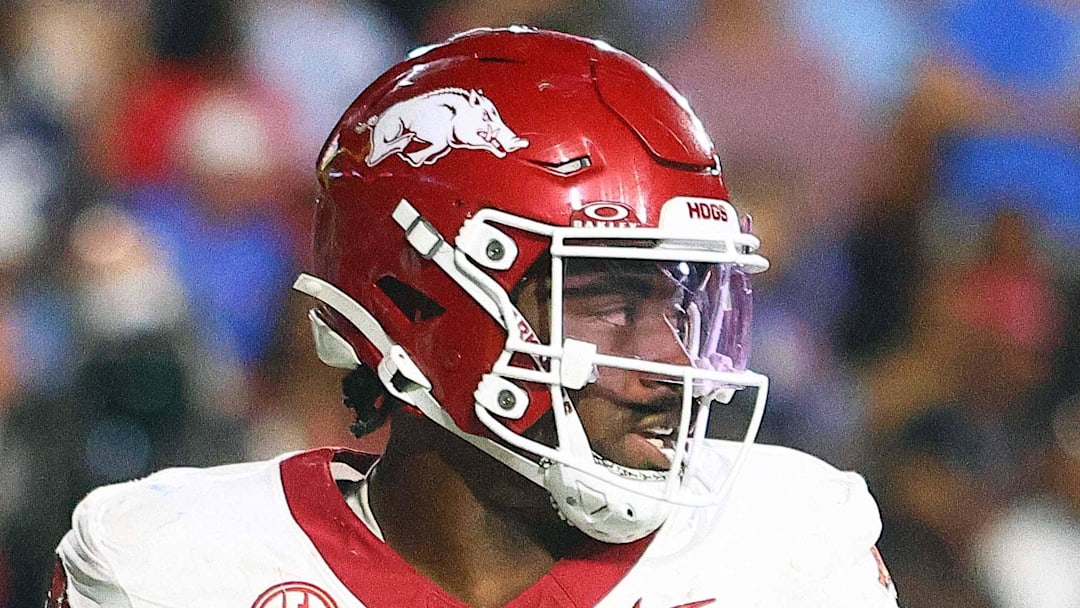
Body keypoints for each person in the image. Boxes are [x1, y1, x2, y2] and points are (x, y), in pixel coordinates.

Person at [48, 28, 899, 608]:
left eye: (677, 303)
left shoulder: (785, 547)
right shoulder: (174, 567)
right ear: (419, 303)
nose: (668, 362)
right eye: (609, 301)